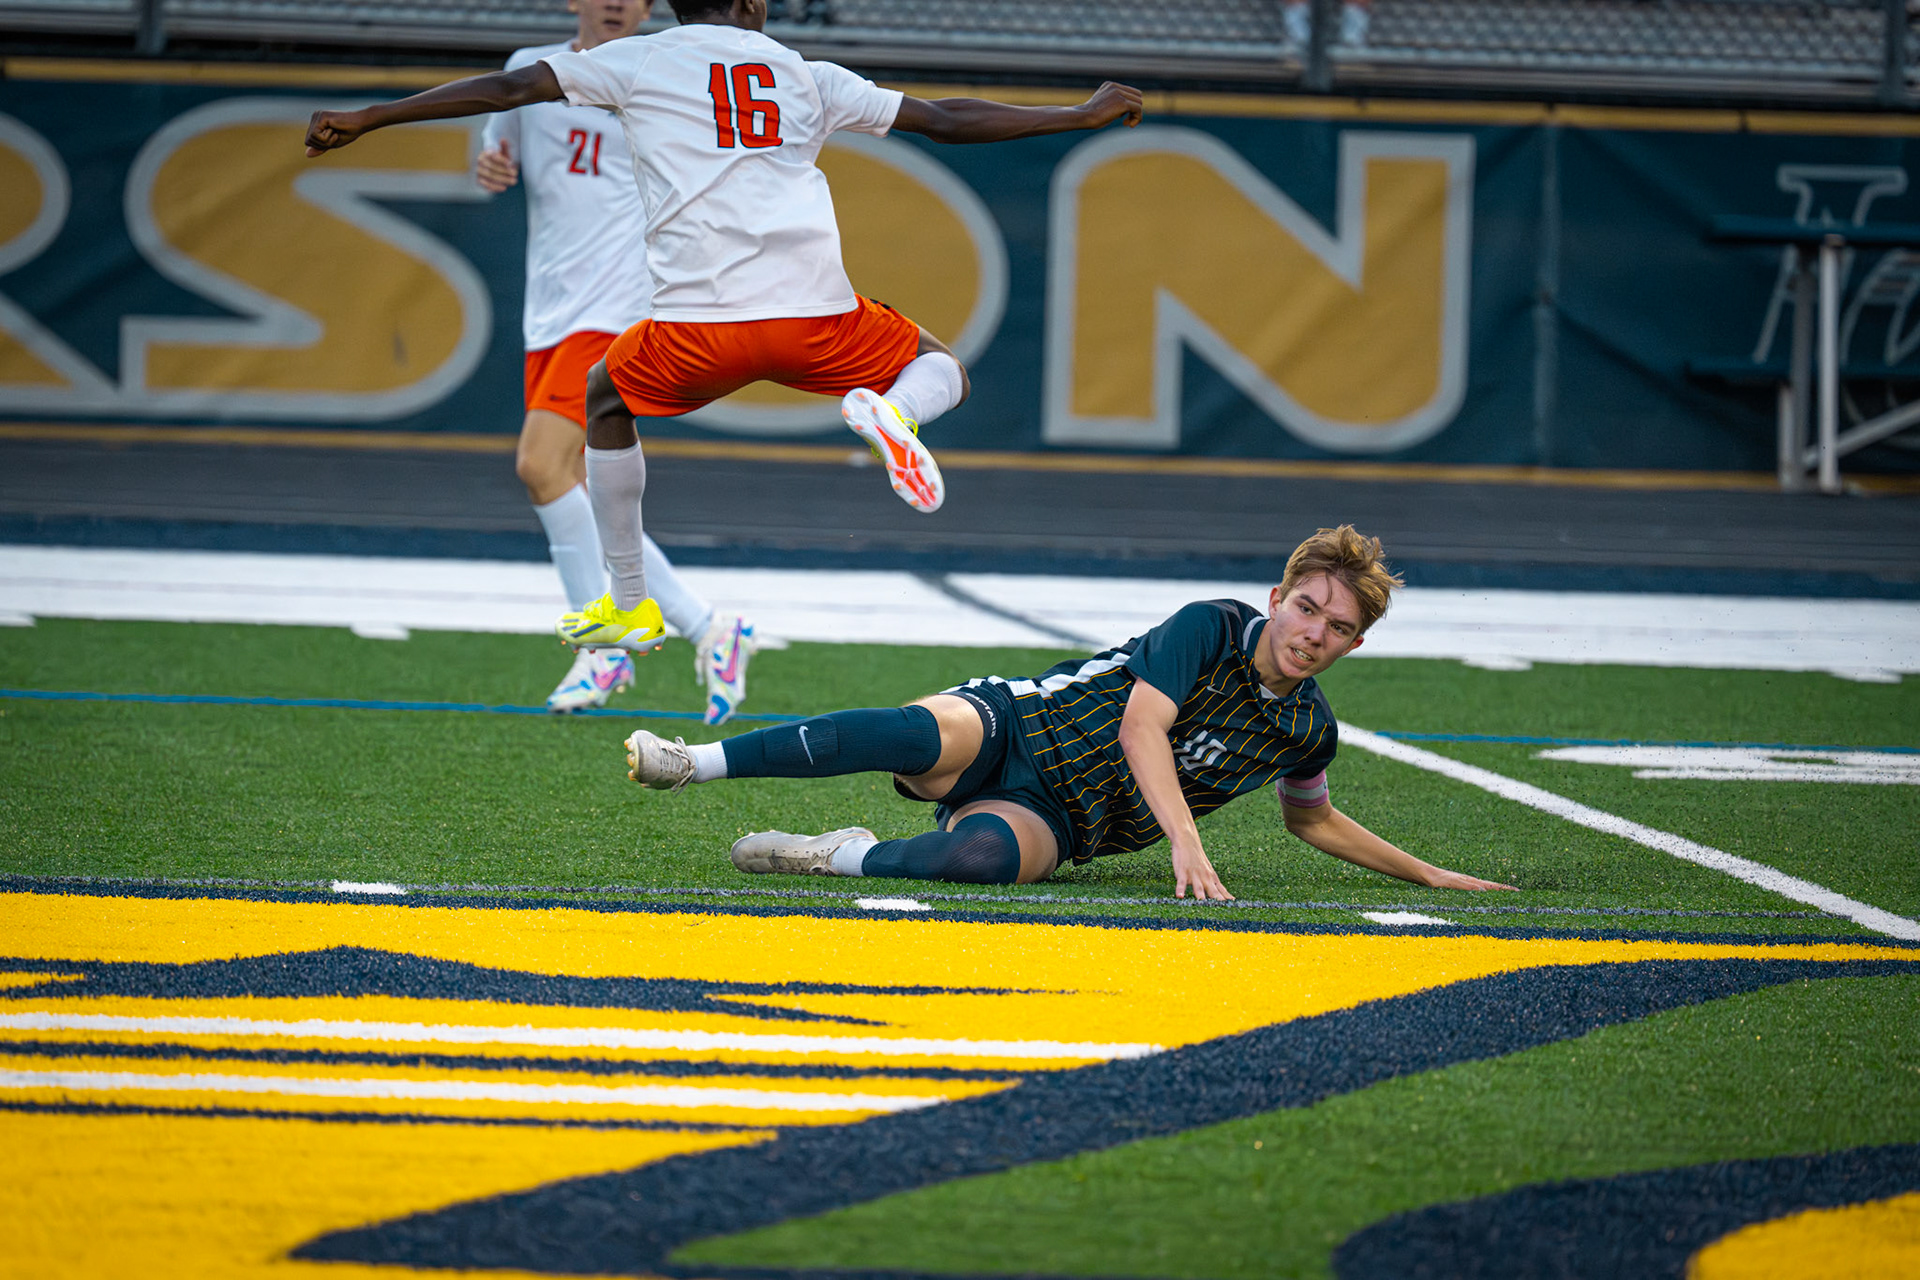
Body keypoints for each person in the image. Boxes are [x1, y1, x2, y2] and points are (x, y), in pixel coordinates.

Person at [304, 0, 1145, 659]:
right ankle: (895, 412)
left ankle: (629, 601)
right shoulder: (804, 73)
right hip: (817, 319)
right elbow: (947, 117)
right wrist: (1080, 113)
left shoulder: (636, 60)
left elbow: (509, 90)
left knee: (603, 399)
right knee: (941, 364)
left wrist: (370, 115)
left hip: (695, 330)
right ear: (751, 6)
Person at [623, 526, 1518, 900]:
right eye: (1307, 608)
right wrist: (1187, 842)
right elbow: (1140, 728)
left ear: (1355, 645)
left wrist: (1429, 875)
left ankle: (835, 853)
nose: (1314, 633)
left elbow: (1311, 817)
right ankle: (693, 762)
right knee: (911, 733)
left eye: (1339, 627)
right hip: (1017, 727)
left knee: (976, 861)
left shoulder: (1308, 730)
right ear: (1278, 597)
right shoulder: (1211, 626)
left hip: (1063, 818)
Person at [478, 0, 755, 722]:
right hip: (552, 306)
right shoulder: (530, 71)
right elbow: (497, 148)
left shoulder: (668, 72)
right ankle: (708, 626)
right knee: (575, 485)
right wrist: (492, 163)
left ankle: (604, 646)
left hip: (622, 305)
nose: (617, 2)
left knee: (539, 466)